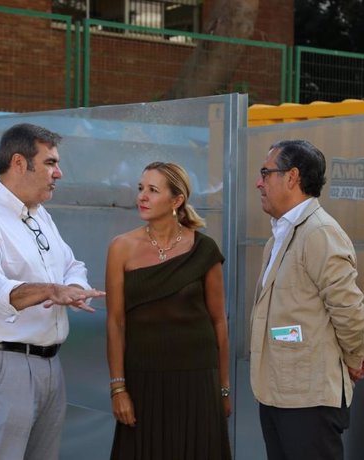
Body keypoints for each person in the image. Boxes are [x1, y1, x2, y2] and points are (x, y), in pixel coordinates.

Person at [0, 123, 105, 460]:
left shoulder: (40, 215)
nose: (59, 173)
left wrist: (73, 289)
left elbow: (71, 265)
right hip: (2, 364)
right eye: (50, 163)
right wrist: (51, 289)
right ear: (19, 163)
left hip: (49, 366)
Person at [251, 140, 364, 460]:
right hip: (279, 395)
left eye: (266, 173)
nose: (259, 182)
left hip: (308, 402)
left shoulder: (319, 233)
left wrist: (353, 358)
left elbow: (350, 311)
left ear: (291, 177)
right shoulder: (280, 234)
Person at [106, 161, 232, 460]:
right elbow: (115, 323)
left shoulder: (204, 250)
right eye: (140, 189)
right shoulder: (120, 248)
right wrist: (118, 387)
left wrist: (223, 390)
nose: (142, 197)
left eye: (152, 190)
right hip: (143, 382)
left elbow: (219, 323)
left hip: (197, 382)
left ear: (177, 200)